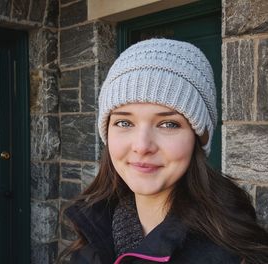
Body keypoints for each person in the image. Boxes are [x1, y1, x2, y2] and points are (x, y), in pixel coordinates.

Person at [61, 39, 268, 264]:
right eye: (124, 123)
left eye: (168, 124)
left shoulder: (236, 255)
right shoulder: (94, 228)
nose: (142, 146)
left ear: (198, 137)